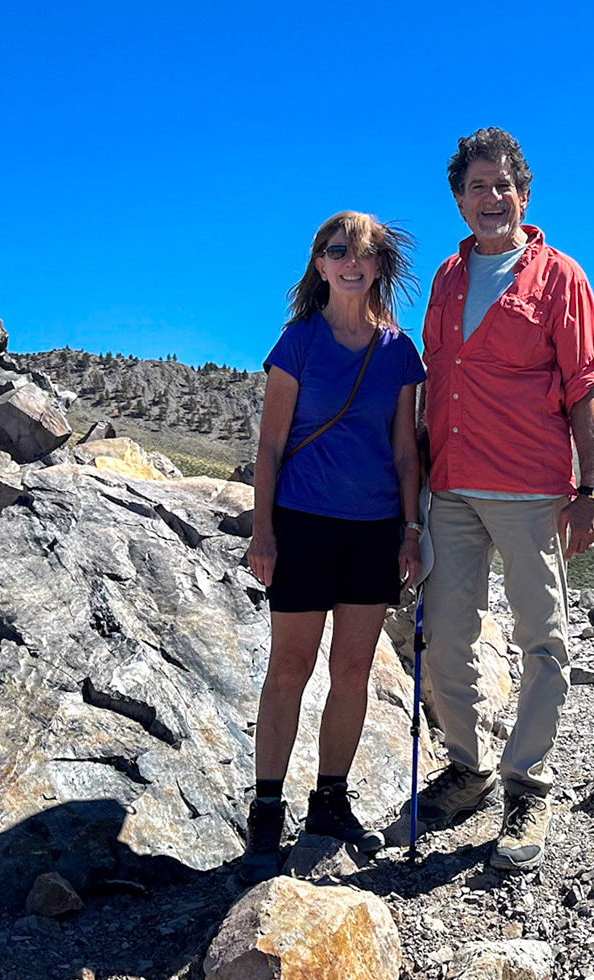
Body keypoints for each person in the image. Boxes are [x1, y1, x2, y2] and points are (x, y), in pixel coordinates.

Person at [413, 128, 594, 871]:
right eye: (477, 187)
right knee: (447, 634)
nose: (491, 198)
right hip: (451, 486)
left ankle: (529, 785)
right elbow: (433, 380)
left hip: (531, 488)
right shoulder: (446, 278)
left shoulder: (560, 276)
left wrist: (590, 487)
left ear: (524, 195)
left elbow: (584, 385)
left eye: (504, 186)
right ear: (459, 199)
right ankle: (468, 768)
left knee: (542, 639)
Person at [240, 211, 426, 884]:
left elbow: (406, 451)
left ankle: (329, 800)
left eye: (365, 252)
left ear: (380, 266)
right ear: (320, 264)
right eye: (338, 249)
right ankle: (267, 806)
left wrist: (410, 531)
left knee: (351, 673)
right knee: (289, 670)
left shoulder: (400, 353)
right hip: (303, 522)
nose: (351, 260)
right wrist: (263, 531)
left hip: (374, 529)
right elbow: (268, 445)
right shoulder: (298, 343)